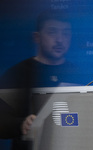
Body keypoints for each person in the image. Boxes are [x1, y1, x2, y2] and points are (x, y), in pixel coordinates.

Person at [0, 9, 79, 149]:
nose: (60, 39)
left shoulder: (77, 73)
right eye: (52, 32)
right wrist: (21, 124)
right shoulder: (17, 73)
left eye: (65, 33)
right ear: (37, 37)